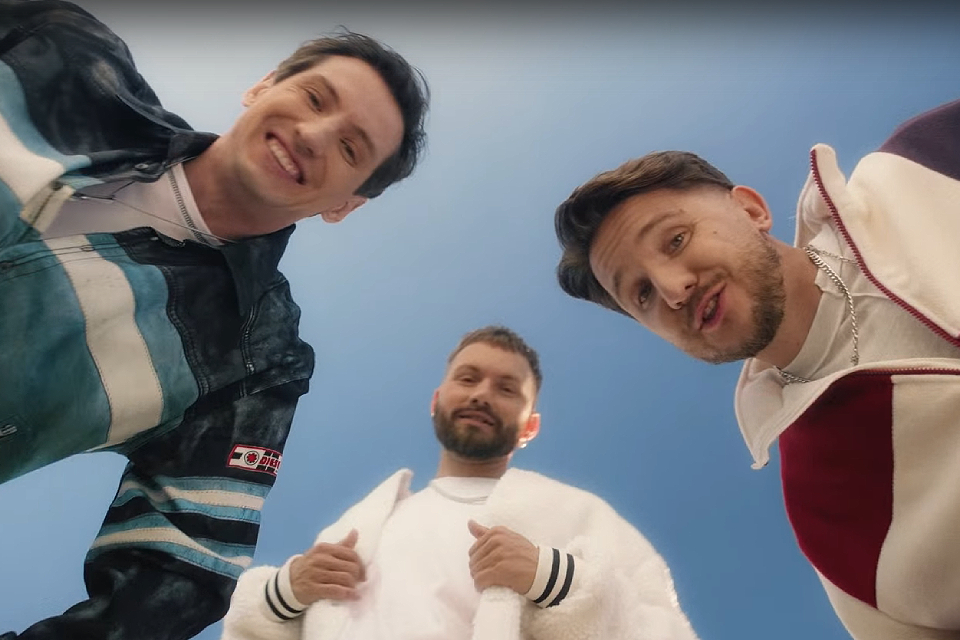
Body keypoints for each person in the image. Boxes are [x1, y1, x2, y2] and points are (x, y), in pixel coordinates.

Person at [0, 1, 429, 638]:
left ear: (346, 204)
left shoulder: (258, 361)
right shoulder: (63, 53)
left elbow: (178, 573)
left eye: (349, 147)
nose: (314, 135)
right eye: (314, 98)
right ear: (263, 85)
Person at [552, 99, 960, 639]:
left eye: (676, 240)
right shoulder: (827, 517)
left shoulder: (926, 160)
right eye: (642, 294)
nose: (674, 289)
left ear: (750, 210)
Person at [220, 326, 699, 640]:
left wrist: (553, 580)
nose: (482, 395)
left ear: (530, 426)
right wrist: (281, 595)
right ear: (437, 400)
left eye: (507, 388)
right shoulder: (359, 528)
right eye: (468, 379)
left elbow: (664, 629)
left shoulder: (578, 517)